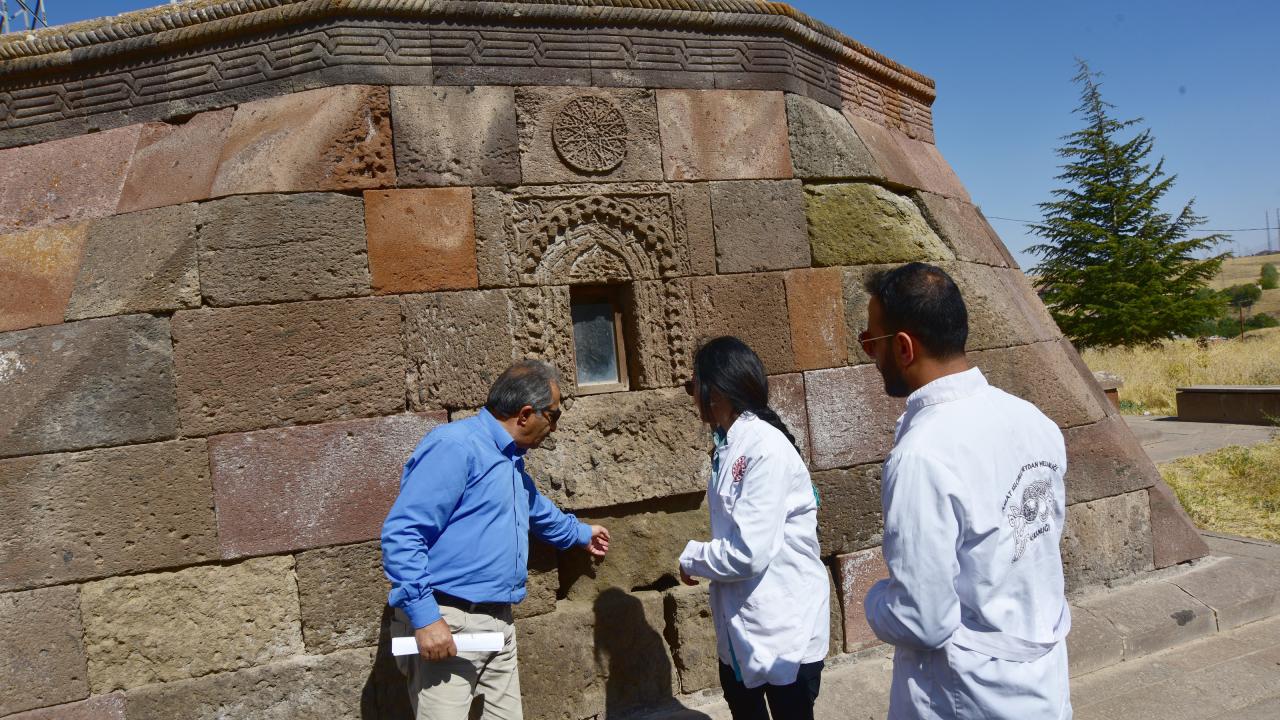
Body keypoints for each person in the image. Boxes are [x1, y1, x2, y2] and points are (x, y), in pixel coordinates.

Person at [859, 263, 1072, 719]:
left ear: (902, 347)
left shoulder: (921, 455)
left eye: (870, 342)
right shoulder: (1034, 420)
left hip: (966, 693)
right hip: (1043, 679)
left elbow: (923, 618)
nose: (870, 356)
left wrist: (873, 601)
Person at [381, 359, 611, 720]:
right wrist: (426, 619)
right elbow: (403, 534)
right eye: (553, 415)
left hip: (497, 624)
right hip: (449, 624)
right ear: (524, 414)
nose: (554, 427)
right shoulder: (455, 446)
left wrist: (580, 534)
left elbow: (534, 508)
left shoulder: (509, 459)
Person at [677, 336, 830, 720]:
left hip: (784, 633)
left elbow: (748, 553)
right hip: (747, 629)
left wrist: (693, 558)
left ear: (717, 389)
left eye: (694, 384)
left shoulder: (764, 449)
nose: (692, 394)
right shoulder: (729, 445)